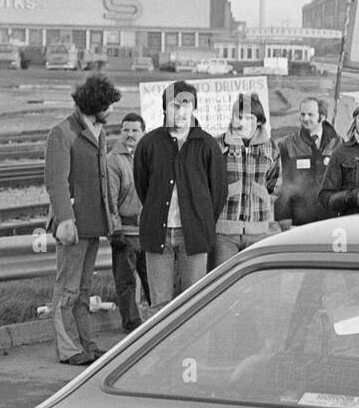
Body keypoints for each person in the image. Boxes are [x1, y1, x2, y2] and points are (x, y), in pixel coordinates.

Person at [44, 74, 121, 364]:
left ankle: (84, 343)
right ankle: (69, 349)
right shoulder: (62, 132)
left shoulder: (98, 131)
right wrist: (65, 220)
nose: (112, 109)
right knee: (68, 289)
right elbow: (56, 182)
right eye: (108, 104)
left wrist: (109, 217)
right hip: (73, 224)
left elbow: (102, 181)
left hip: (92, 223)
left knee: (83, 289)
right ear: (96, 104)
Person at [133, 80, 227, 310]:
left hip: (193, 235)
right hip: (157, 234)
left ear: (193, 108)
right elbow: (142, 187)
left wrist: (200, 220)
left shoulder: (207, 145)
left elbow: (218, 192)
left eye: (186, 105)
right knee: (159, 305)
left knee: (193, 304)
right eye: (175, 105)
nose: (180, 111)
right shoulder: (149, 144)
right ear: (165, 108)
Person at [212, 92, 280, 268]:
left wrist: (260, 197)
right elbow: (207, 183)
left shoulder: (271, 147)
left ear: (259, 121)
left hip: (258, 232)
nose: (242, 122)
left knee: (253, 284)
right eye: (239, 117)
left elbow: (275, 184)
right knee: (222, 282)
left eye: (249, 118)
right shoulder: (217, 144)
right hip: (224, 233)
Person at [106, 112, 149, 332]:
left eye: (134, 130)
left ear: (143, 132)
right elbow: (110, 198)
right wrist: (115, 230)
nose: (130, 134)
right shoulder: (113, 159)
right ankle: (132, 326)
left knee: (152, 279)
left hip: (149, 230)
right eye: (126, 130)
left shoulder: (149, 155)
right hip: (126, 230)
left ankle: (157, 321)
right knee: (126, 282)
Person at [275, 96, 338, 229]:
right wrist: (283, 217)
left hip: (331, 219)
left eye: (310, 114)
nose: (305, 118)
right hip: (300, 221)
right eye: (302, 114)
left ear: (323, 116)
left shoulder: (338, 144)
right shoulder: (288, 145)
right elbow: (283, 184)